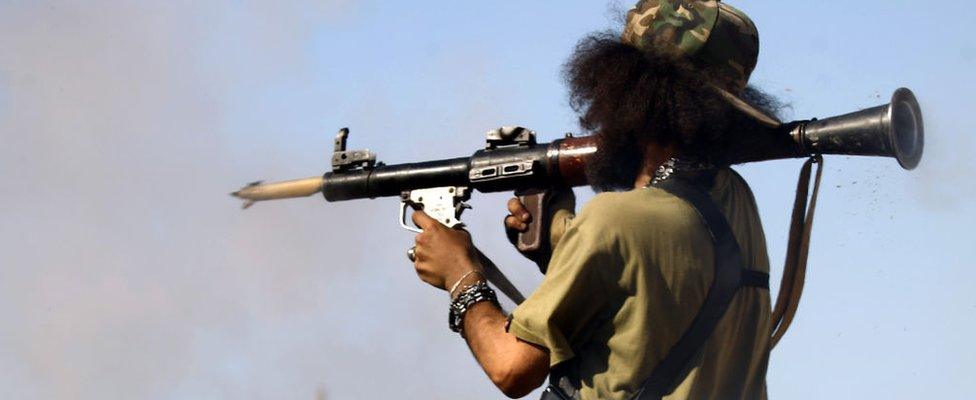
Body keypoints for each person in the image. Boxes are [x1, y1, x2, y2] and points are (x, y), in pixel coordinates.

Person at [409, 1, 782, 398]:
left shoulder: (616, 219)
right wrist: (559, 236)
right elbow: (650, 294)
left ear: (627, 88)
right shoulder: (736, 199)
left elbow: (511, 367)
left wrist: (460, 274)